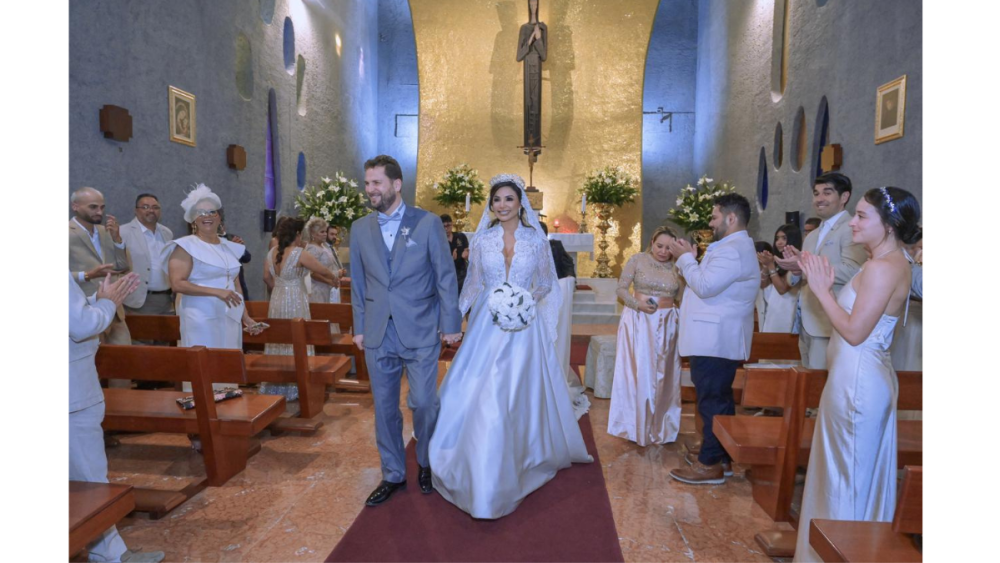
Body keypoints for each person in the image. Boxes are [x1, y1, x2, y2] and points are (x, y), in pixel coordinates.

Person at [429, 173, 593, 520]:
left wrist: (523, 300)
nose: (501, 205)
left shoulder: (536, 240)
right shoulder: (483, 240)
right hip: (486, 324)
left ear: (521, 203)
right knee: (478, 388)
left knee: (513, 391)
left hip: (522, 325)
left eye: (508, 199)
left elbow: (547, 282)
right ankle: (473, 458)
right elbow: (473, 284)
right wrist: (453, 320)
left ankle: (518, 456)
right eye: (496, 200)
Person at [793, 187, 921, 562]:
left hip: (858, 386)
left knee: (846, 479)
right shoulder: (885, 261)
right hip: (857, 380)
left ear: (890, 224)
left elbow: (853, 331)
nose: (854, 221)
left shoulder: (884, 267)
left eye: (863, 215)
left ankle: (838, 551)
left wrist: (822, 291)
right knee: (848, 475)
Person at [349, 155, 463, 506]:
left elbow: (445, 276)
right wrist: (359, 326)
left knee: (425, 402)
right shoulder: (359, 229)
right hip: (377, 331)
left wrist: (451, 325)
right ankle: (393, 474)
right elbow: (357, 281)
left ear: (396, 185)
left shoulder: (427, 224)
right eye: (367, 183)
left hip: (420, 327)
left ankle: (426, 462)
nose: (370, 190)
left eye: (376, 183)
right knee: (384, 408)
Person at [70, 270, 166, 563]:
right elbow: (82, 324)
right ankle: (110, 555)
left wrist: (94, 298)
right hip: (71, 391)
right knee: (91, 478)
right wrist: (108, 304)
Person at [667, 193, 759, 484]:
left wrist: (684, 260)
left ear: (731, 218)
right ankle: (722, 457)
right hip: (714, 337)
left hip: (716, 339)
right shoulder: (731, 247)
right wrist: (692, 260)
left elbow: (705, 286)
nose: (711, 222)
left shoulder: (732, 250)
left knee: (711, 401)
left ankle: (710, 465)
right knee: (717, 400)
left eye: (715, 216)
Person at [165, 184, 257, 394]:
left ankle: (226, 412)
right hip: (200, 315)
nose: (207, 216)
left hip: (228, 316)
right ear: (194, 219)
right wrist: (216, 292)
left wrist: (246, 317)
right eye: (201, 212)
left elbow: (234, 284)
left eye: (212, 211)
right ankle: (204, 412)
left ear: (219, 217)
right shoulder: (185, 246)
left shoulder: (228, 246)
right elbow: (177, 283)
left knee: (226, 360)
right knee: (205, 363)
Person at [776, 173, 867, 369]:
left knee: (822, 387)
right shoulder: (812, 235)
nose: (819, 199)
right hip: (806, 322)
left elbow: (853, 271)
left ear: (844, 197)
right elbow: (798, 278)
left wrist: (808, 266)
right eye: (816, 193)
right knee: (808, 389)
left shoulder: (851, 229)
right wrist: (795, 268)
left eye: (827, 193)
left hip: (830, 322)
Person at [607, 226, 685, 446]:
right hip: (638, 322)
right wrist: (637, 304)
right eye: (659, 246)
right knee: (638, 372)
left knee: (664, 375)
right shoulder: (637, 259)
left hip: (667, 323)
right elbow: (621, 289)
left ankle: (661, 426)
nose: (662, 251)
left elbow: (682, 297)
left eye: (668, 248)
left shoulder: (678, 267)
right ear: (652, 242)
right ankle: (634, 425)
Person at [259, 218, 338, 400]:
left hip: (277, 299)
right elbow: (322, 269)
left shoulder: (271, 252)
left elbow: (265, 277)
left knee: (279, 339)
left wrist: (278, 288)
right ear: (297, 234)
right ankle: (297, 385)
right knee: (298, 337)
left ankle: (276, 385)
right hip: (295, 299)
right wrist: (333, 277)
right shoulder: (298, 253)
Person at [120, 193, 174, 315]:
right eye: (145, 207)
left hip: (166, 299)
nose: (151, 210)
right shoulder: (123, 232)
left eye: (155, 207)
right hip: (138, 301)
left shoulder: (167, 233)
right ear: (136, 210)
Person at [756, 224, 803, 332]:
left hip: (788, 311)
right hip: (774, 310)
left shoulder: (795, 262)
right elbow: (763, 285)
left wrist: (771, 265)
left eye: (784, 238)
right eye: (777, 239)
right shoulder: (777, 260)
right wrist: (765, 266)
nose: (779, 242)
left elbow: (782, 289)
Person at [303, 217, 342, 304]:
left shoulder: (323, 246)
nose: (325, 234)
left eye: (325, 231)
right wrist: (329, 281)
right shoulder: (312, 248)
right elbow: (312, 273)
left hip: (326, 287)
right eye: (322, 232)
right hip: (317, 288)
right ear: (313, 234)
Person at [218, 209, 252, 301]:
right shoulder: (208, 242)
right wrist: (231, 247)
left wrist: (239, 248)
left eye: (221, 222)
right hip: (220, 287)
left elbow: (247, 258)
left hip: (239, 283)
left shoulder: (232, 237)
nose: (220, 226)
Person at [441, 214, 470, 294]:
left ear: (452, 224)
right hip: (448, 275)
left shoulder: (460, 236)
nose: (446, 229)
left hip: (462, 273)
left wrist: (467, 255)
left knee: (464, 298)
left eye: (448, 225)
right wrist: (450, 259)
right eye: (444, 226)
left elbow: (467, 251)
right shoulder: (439, 241)